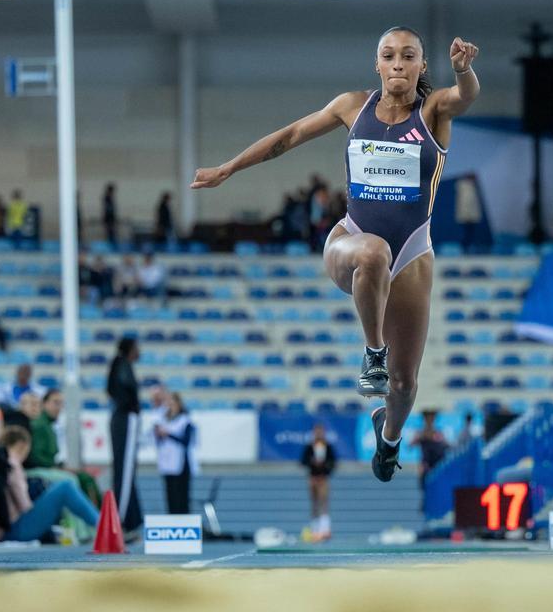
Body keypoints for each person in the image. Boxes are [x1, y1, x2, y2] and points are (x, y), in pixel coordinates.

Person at [192, 27, 480, 483]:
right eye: (389, 56)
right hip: (351, 240)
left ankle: (388, 440)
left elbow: (465, 96)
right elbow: (291, 135)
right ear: (378, 65)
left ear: (422, 66)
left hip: (413, 253)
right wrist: (229, 168)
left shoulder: (434, 109)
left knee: (405, 387)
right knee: (372, 252)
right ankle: (373, 354)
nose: (399, 64)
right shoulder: (352, 106)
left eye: (409, 57)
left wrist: (464, 72)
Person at [0, 426, 99, 543]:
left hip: (7, 528)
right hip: (16, 529)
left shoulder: (1, 461)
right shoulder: (13, 464)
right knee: (65, 488)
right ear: (22, 445)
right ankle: (103, 525)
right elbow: (24, 504)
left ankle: (98, 525)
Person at [107, 336, 143, 532]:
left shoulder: (118, 365)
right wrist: (133, 408)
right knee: (125, 472)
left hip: (120, 418)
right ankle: (119, 521)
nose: (140, 351)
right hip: (126, 419)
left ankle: (132, 519)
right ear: (130, 349)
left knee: (124, 470)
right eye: (137, 347)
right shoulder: (122, 366)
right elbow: (124, 394)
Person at [154, 392, 196, 515]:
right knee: (170, 497)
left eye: (172, 403)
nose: (170, 406)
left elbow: (186, 441)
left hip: (181, 466)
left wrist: (169, 434)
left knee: (182, 499)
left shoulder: (185, 420)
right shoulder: (163, 420)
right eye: (168, 404)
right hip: (167, 464)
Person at [300, 422, 336, 540]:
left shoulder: (328, 447)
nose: (319, 434)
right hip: (313, 478)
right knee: (314, 504)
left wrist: (324, 467)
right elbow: (302, 461)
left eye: (321, 432)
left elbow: (333, 463)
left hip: (323, 478)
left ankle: (325, 530)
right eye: (317, 432)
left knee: (324, 503)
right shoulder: (309, 447)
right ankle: (315, 530)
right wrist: (312, 462)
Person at [411, 409, 448, 508]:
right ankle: (426, 501)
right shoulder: (420, 432)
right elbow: (411, 444)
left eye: (432, 418)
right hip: (426, 464)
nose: (430, 420)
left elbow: (446, 445)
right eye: (428, 418)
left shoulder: (438, 432)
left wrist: (438, 439)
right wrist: (421, 437)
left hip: (437, 464)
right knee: (425, 481)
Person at [454, 174, 483, 252]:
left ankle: (470, 247)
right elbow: (466, 201)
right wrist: (467, 214)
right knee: (466, 232)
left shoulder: (472, 186)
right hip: (466, 214)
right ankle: (465, 248)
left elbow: (472, 202)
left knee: (472, 232)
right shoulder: (463, 185)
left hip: (471, 214)